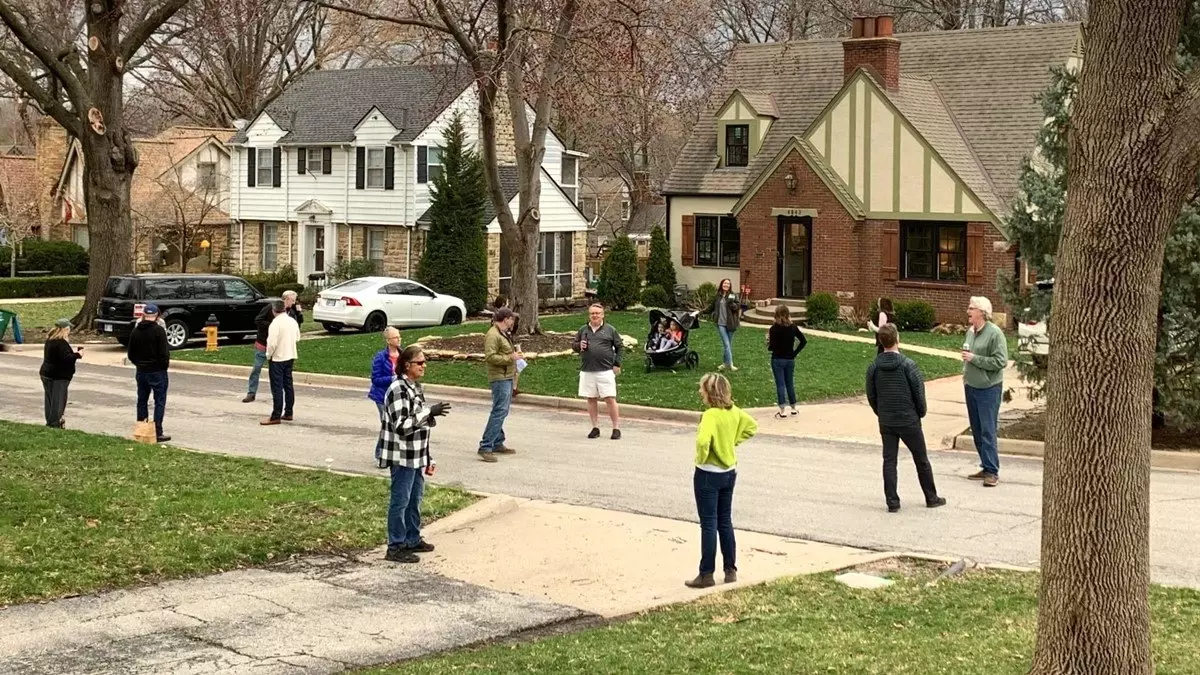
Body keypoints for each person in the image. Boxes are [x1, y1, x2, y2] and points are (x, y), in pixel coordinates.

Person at [378, 344, 451, 563]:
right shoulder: (398, 388)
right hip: (402, 456)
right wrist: (429, 412)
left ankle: (412, 538)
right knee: (400, 501)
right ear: (407, 365)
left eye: (424, 362)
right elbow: (402, 425)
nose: (424, 366)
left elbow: (420, 422)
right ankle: (395, 546)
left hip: (417, 455)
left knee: (414, 499)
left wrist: (428, 457)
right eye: (420, 362)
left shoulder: (414, 387)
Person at [686, 373, 758, 589]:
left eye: (702, 389)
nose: (700, 392)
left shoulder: (710, 416)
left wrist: (702, 457)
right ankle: (730, 569)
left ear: (710, 393)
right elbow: (752, 427)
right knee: (724, 520)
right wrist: (732, 443)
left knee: (708, 523)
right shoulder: (735, 413)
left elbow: (702, 441)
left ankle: (706, 573)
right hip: (729, 471)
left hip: (708, 472)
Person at [866, 324, 946, 512]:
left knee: (889, 460)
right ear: (897, 339)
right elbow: (918, 392)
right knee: (921, 459)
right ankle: (931, 496)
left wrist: (881, 411)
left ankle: (892, 501)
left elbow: (871, 395)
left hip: (886, 420)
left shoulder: (874, 367)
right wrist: (920, 412)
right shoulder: (908, 365)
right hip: (908, 419)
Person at [962, 296, 1009, 487]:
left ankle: (992, 472)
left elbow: (1001, 361)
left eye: (971, 308)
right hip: (971, 386)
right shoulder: (970, 332)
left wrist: (975, 359)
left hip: (988, 389)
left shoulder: (995, 334)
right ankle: (985, 464)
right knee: (977, 429)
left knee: (987, 430)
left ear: (982, 312)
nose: (968, 311)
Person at [572, 303, 623, 440]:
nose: (595, 315)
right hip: (587, 370)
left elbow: (619, 347)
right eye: (592, 313)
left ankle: (616, 428)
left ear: (602, 315)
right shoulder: (583, 330)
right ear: (589, 315)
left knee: (610, 398)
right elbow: (574, 345)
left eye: (597, 313)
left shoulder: (610, 330)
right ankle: (595, 427)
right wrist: (578, 346)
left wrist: (617, 363)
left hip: (605, 370)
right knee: (591, 398)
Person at [244, 291, 303, 402]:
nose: (294, 303)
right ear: (286, 299)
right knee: (256, 368)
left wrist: (299, 313)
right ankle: (251, 392)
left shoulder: (291, 313)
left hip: (278, 349)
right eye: (292, 300)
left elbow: (296, 326)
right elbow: (258, 320)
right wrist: (272, 326)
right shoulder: (271, 308)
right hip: (263, 343)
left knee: (275, 374)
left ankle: (276, 395)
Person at [478, 308, 520, 462]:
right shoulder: (493, 335)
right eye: (512, 320)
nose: (513, 323)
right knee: (499, 410)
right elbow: (490, 357)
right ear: (506, 319)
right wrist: (510, 358)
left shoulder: (502, 333)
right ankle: (486, 445)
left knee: (502, 410)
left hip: (507, 375)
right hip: (499, 377)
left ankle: (497, 441)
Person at [127, 303, 171, 443]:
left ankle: (142, 427)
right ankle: (157, 431)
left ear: (144, 315)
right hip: (157, 370)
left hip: (141, 371)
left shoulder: (136, 331)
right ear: (157, 316)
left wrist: (139, 364)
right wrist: (163, 366)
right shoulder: (159, 331)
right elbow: (164, 353)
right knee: (159, 400)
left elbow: (131, 354)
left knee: (142, 400)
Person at [261, 300, 301, 426]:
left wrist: (268, 355)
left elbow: (272, 343)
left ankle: (276, 415)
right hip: (290, 355)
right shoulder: (292, 321)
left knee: (277, 387)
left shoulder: (275, 324)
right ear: (284, 309)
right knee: (288, 384)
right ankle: (289, 412)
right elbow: (297, 337)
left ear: (273, 311)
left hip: (277, 357)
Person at [368, 327, 403, 461]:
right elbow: (375, 379)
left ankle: (394, 453)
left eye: (399, 336)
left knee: (398, 425)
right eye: (395, 337)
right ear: (388, 341)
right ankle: (380, 455)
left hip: (398, 396)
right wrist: (392, 378)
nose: (399, 339)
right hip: (382, 397)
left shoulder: (403, 355)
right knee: (387, 425)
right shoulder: (381, 357)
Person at [39, 318, 82, 428]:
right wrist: (77, 354)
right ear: (65, 329)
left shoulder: (50, 340)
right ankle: (55, 422)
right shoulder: (61, 343)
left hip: (46, 373)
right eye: (68, 329)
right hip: (58, 376)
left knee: (49, 399)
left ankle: (50, 420)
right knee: (58, 400)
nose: (69, 331)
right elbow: (66, 358)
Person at [766, 304, 807, 418]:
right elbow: (803, 341)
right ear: (788, 314)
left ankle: (782, 410)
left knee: (780, 384)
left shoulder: (774, 329)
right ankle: (793, 408)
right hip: (789, 359)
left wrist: (768, 342)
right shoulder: (793, 327)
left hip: (777, 359)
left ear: (776, 315)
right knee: (790, 383)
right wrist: (794, 353)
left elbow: (772, 347)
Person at [705, 278, 741, 371]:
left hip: (731, 324)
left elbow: (737, 307)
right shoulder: (718, 296)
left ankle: (725, 363)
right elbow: (711, 307)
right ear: (721, 284)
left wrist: (731, 304)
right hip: (720, 323)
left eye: (728, 284)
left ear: (730, 286)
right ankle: (731, 364)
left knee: (728, 344)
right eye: (725, 283)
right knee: (726, 344)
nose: (726, 285)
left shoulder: (733, 295)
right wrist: (700, 312)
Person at [492, 295, 521, 395]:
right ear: (503, 304)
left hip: (508, 343)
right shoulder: (499, 319)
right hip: (504, 347)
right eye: (507, 303)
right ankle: (512, 388)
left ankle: (513, 388)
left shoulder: (499, 316)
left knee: (516, 367)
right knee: (514, 366)